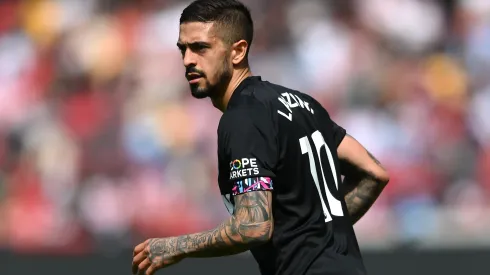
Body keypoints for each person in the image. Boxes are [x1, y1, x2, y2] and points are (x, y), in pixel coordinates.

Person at [132, 0, 389, 274]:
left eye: (201, 48)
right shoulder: (302, 104)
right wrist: (317, 230)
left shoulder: (243, 116)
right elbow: (374, 173)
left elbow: (252, 226)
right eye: (183, 49)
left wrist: (176, 247)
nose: (188, 60)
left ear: (238, 51)